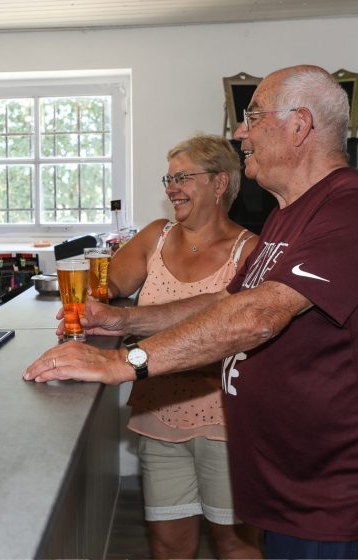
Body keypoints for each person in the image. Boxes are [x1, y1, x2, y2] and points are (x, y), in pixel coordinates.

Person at [25, 64, 358, 558]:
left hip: (338, 498)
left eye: (253, 117)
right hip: (289, 485)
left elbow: (257, 315)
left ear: (299, 126)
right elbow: (224, 302)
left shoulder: (354, 206)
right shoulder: (287, 215)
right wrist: (121, 321)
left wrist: (124, 362)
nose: (239, 132)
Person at [107, 133, 259, 559]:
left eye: (182, 177)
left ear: (219, 183)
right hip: (158, 418)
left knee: (236, 545)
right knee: (168, 546)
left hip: (226, 425)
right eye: (168, 178)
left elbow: (246, 334)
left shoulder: (251, 251)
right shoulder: (156, 236)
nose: (171, 187)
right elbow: (110, 283)